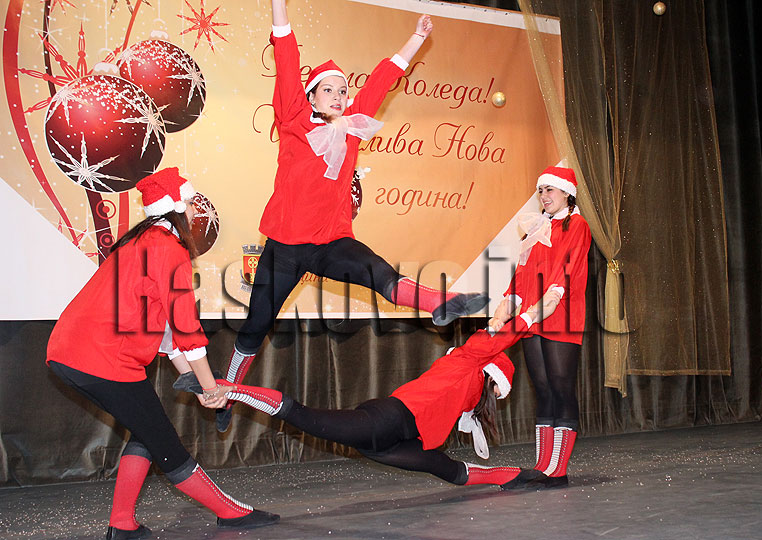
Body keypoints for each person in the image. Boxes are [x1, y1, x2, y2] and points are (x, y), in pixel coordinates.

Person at [219, 0, 488, 432]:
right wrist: (278, 6)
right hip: (285, 248)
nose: (339, 97)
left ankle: (440, 303)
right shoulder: (293, 120)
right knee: (255, 325)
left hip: (331, 243)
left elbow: (382, 81)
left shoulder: (353, 127)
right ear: (310, 96)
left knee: (377, 271)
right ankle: (227, 393)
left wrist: (416, 38)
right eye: (329, 90)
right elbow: (286, 56)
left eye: (343, 91)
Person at [46, 168, 278, 540]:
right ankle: (229, 512)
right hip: (104, 358)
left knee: (146, 432)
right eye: (191, 204)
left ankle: (123, 524)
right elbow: (186, 328)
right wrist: (211, 388)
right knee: (166, 446)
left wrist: (199, 385)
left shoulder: (140, 242)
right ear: (178, 208)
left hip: (72, 352)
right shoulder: (169, 248)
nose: (195, 211)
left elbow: (167, 335)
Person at [178, 311, 553, 489]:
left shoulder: (469, 388)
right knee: (304, 416)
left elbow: (466, 407)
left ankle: (518, 475)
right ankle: (228, 389)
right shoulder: (468, 361)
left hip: (395, 438)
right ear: (492, 375)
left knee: (449, 471)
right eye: (496, 387)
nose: (493, 395)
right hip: (386, 421)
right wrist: (530, 317)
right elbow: (497, 340)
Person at [487, 165, 591, 489]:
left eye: (550, 190)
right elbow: (521, 277)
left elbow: (566, 272)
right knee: (543, 388)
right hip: (531, 319)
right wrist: (503, 312)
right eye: (541, 191)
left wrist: (542, 305)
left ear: (567, 193)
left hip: (560, 315)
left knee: (561, 387)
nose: (544, 196)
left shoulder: (577, 225)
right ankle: (542, 466)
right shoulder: (535, 229)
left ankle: (558, 470)